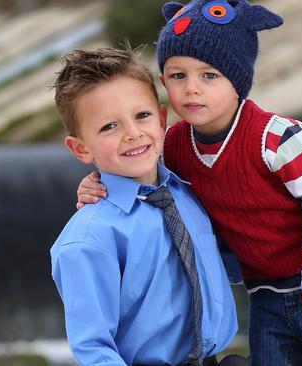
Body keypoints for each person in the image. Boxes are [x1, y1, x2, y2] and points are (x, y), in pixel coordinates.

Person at [76, 1, 302, 365]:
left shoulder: (275, 136)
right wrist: (94, 183)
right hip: (267, 283)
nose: (192, 89)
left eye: (209, 76)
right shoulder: (173, 143)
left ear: (237, 80)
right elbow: (134, 165)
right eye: (178, 76)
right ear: (163, 83)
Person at [50, 46, 246, 366]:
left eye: (142, 115)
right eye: (109, 126)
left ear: (162, 119)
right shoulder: (88, 241)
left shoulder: (187, 190)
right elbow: (94, 349)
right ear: (81, 148)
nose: (133, 133)